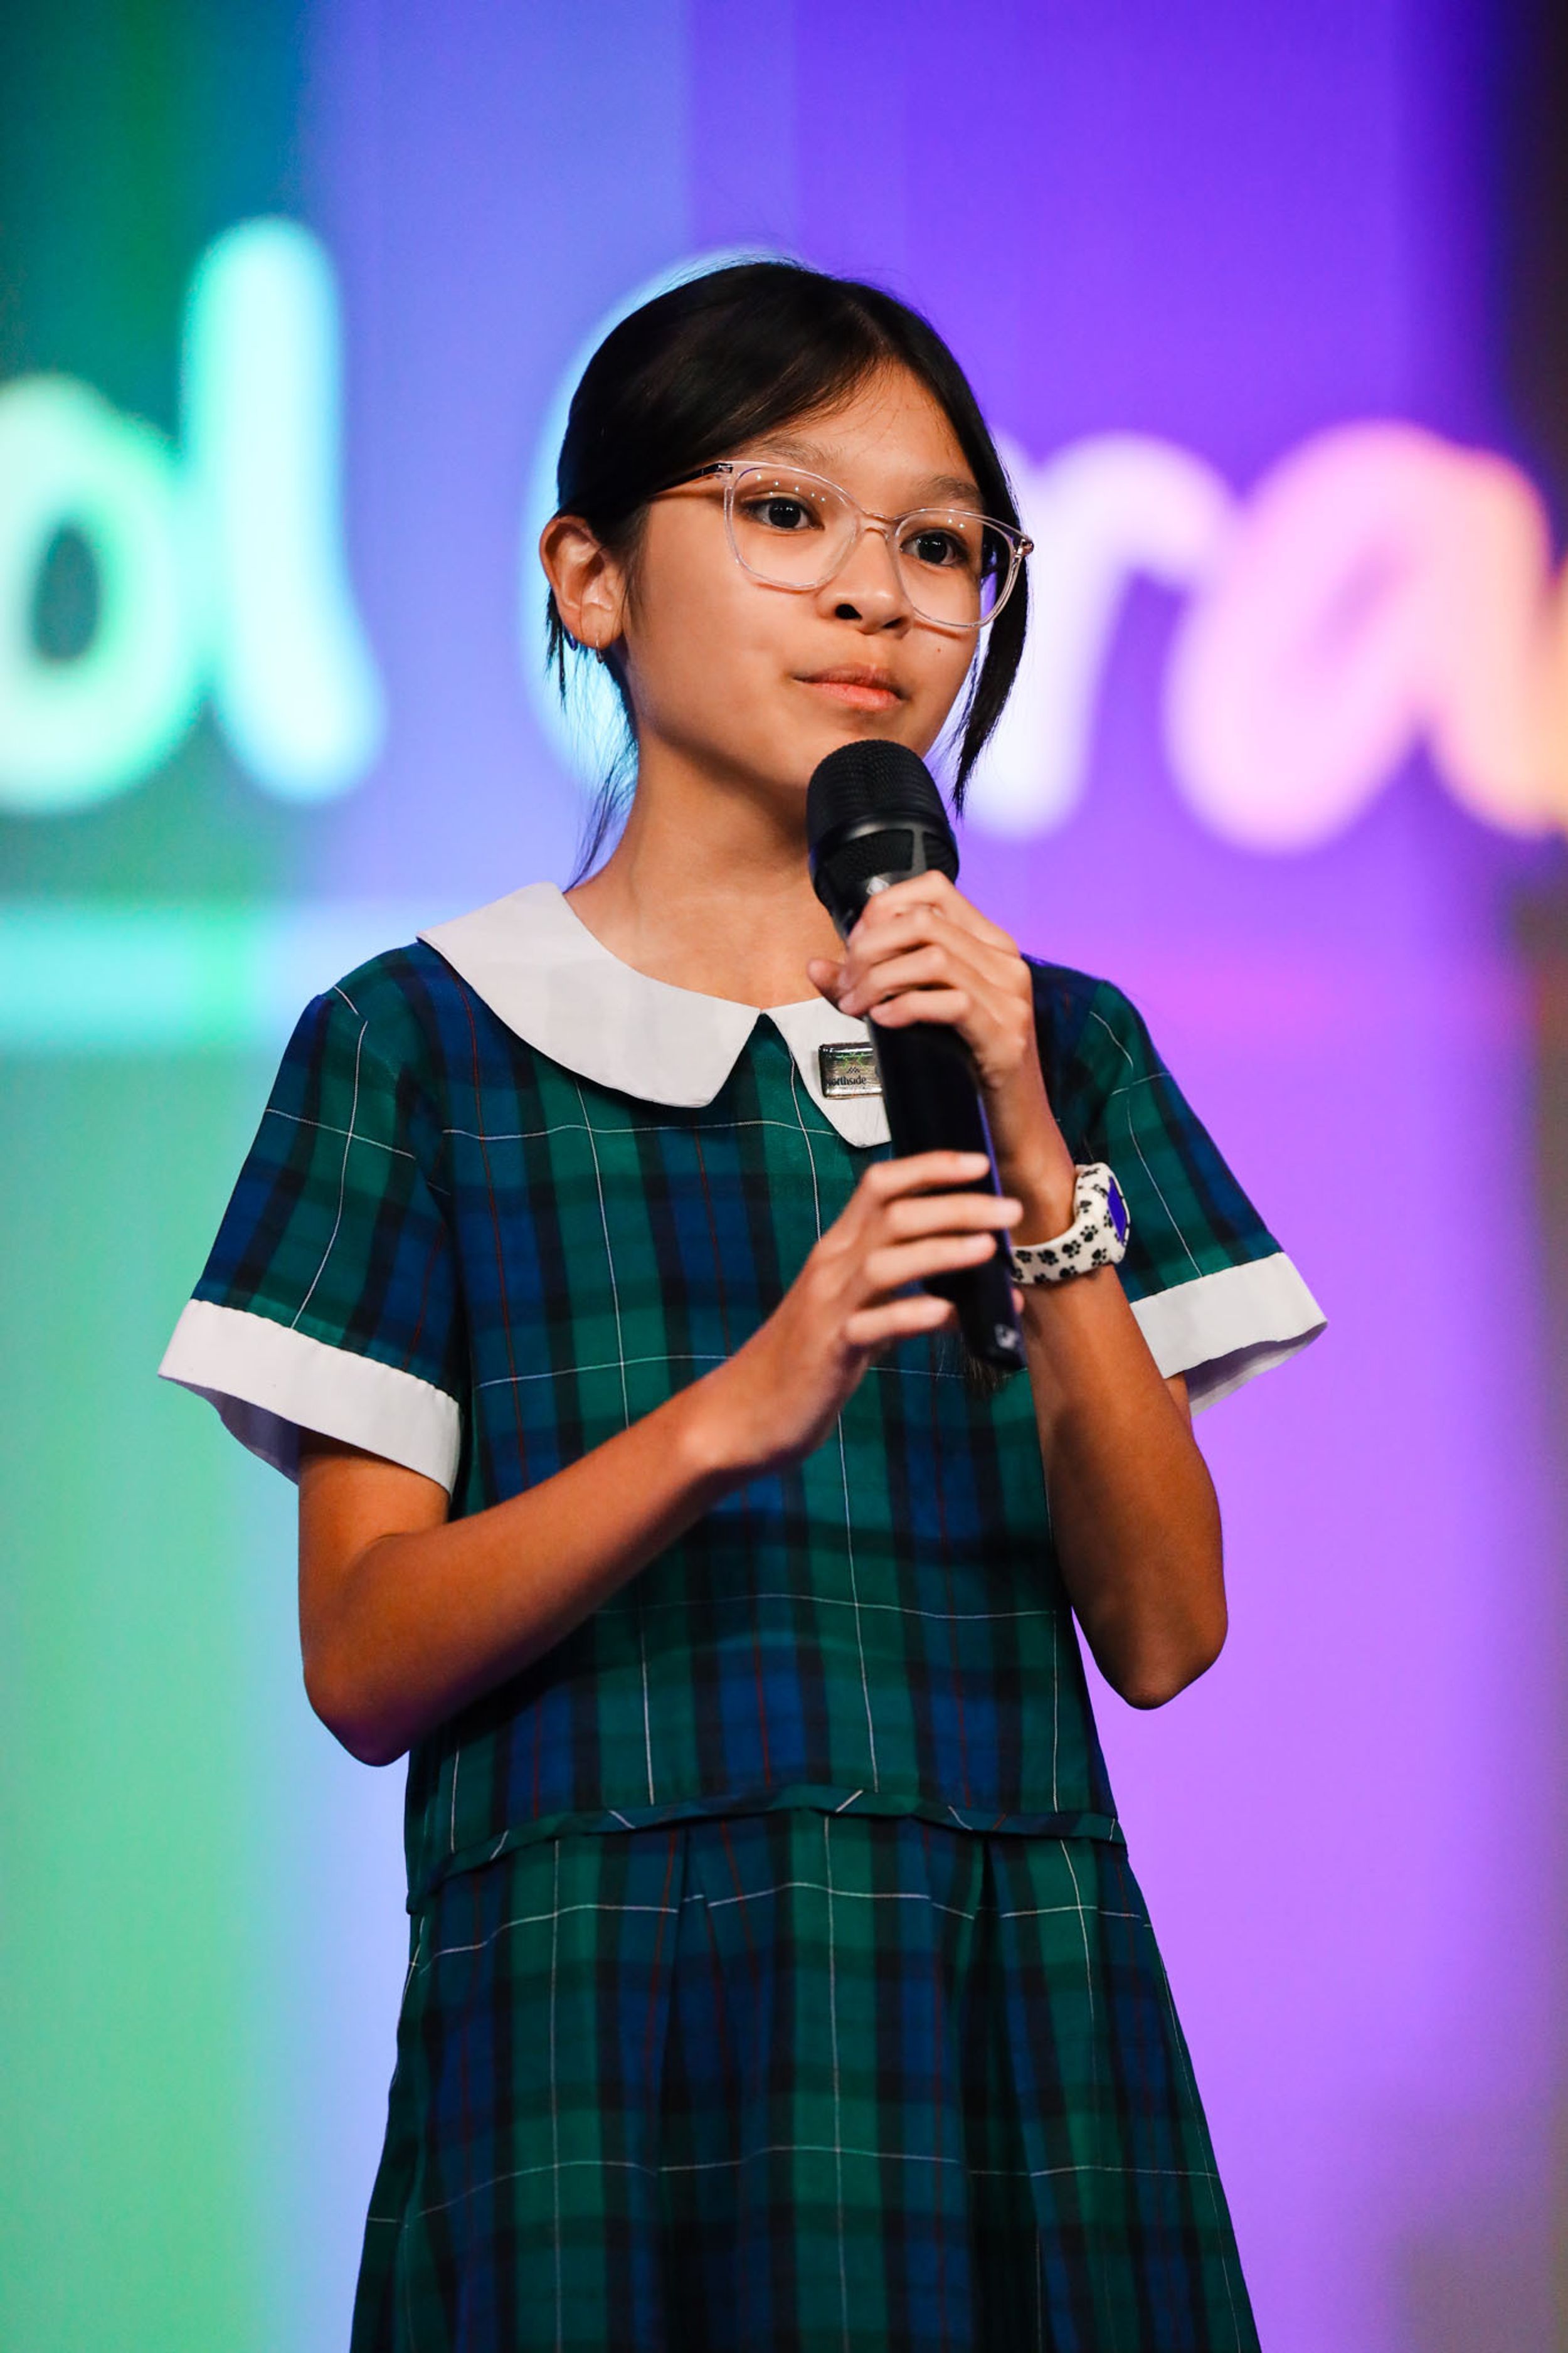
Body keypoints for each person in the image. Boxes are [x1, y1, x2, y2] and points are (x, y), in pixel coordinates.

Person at [161, 260, 1323, 2352]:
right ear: (588, 576)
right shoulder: (421, 1045)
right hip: (599, 2025)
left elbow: (1163, 1632)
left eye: (944, 545)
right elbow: (364, 1656)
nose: (878, 594)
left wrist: (1035, 1158)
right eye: (786, 513)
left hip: (1008, 2012)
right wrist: (733, 1412)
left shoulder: (1058, 1045)